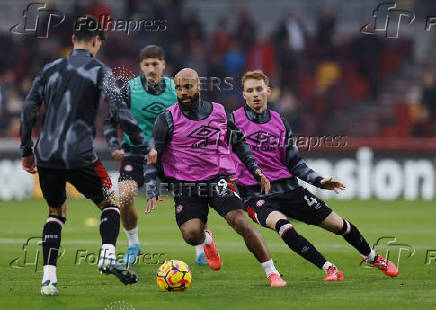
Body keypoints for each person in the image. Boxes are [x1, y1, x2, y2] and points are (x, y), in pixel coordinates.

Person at [19, 16, 156, 296]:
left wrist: (26, 151)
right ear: (97, 42)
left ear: (73, 40)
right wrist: (143, 144)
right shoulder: (100, 71)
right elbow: (120, 112)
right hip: (81, 155)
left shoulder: (50, 69)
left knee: (56, 212)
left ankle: (48, 280)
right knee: (111, 202)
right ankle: (107, 254)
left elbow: (28, 110)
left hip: (46, 155)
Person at [231, 70, 398, 280]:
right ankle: (329, 268)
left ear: (268, 91)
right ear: (244, 95)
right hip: (256, 196)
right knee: (283, 226)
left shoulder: (280, 123)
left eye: (259, 89)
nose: (255, 94)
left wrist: (319, 181)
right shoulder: (232, 122)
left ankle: (372, 257)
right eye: (250, 90)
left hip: (289, 189)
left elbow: (294, 163)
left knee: (339, 225)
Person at [146, 67, 287, 287]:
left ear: (199, 87)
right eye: (178, 88)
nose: (183, 92)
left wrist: (255, 169)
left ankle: (272, 273)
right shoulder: (166, 119)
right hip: (186, 184)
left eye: (188, 86)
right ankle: (207, 240)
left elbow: (238, 142)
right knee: (191, 234)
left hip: (217, 179)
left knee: (240, 221)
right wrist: (152, 187)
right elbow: (153, 154)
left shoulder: (219, 112)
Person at [103, 45, 207, 266]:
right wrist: (113, 144)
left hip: (171, 154)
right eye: (147, 64)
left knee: (193, 197)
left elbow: (192, 116)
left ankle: (200, 249)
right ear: (141, 66)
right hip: (135, 153)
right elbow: (111, 121)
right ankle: (133, 244)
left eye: (155, 64)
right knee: (126, 195)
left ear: (163, 64)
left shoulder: (176, 88)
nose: (151, 68)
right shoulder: (129, 89)